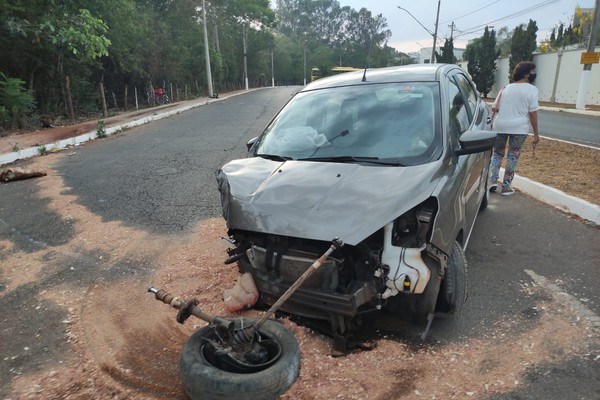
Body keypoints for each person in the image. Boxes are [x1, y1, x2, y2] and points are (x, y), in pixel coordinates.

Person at [488, 61, 540, 196]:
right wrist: (536, 134)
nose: (535, 74)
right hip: (519, 128)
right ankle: (506, 186)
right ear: (526, 73)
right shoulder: (532, 90)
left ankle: (492, 181)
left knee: (497, 153)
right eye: (533, 71)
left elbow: (495, 108)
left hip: (500, 125)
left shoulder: (505, 88)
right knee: (513, 155)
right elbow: (533, 113)